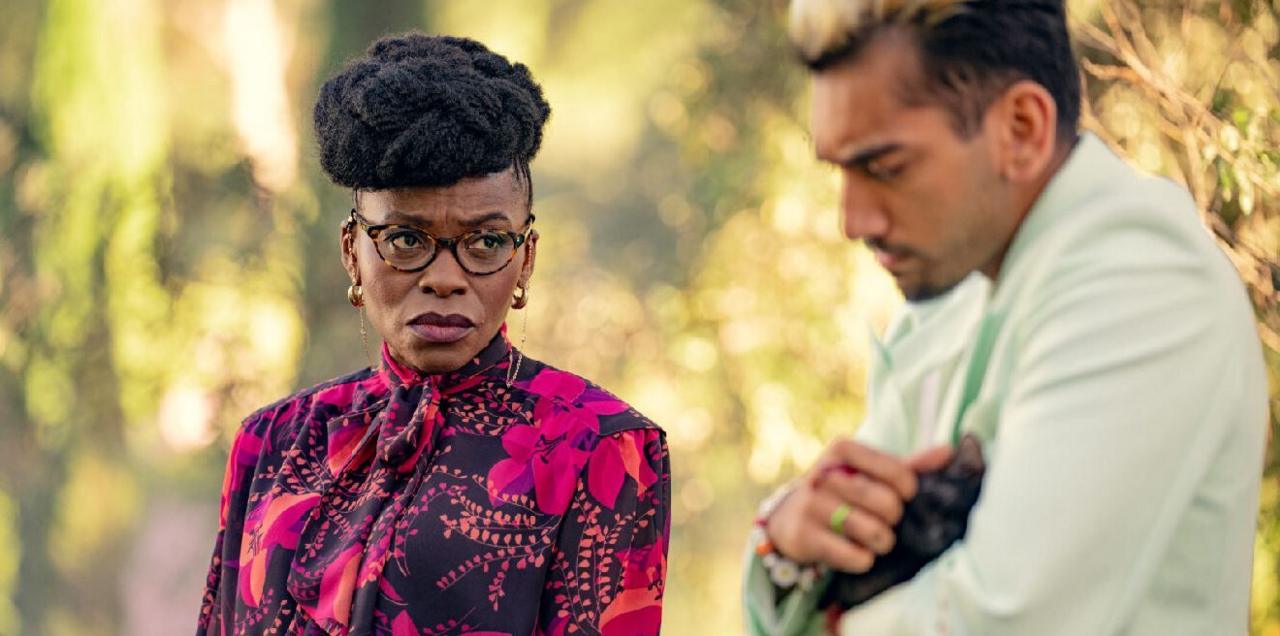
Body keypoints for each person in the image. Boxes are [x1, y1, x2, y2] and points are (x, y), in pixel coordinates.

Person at [744, 1, 1268, 633]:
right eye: (839, 171)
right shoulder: (953, 293)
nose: (853, 221)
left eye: (884, 168)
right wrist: (789, 545)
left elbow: (999, 621)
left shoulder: (1144, 281)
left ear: (1021, 128)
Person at [198, 33, 670, 635]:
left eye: (486, 241)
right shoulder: (272, 443)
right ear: (352, 252)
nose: (444, 279)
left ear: (526, 258)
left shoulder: (602, 449)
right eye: (405, 240)